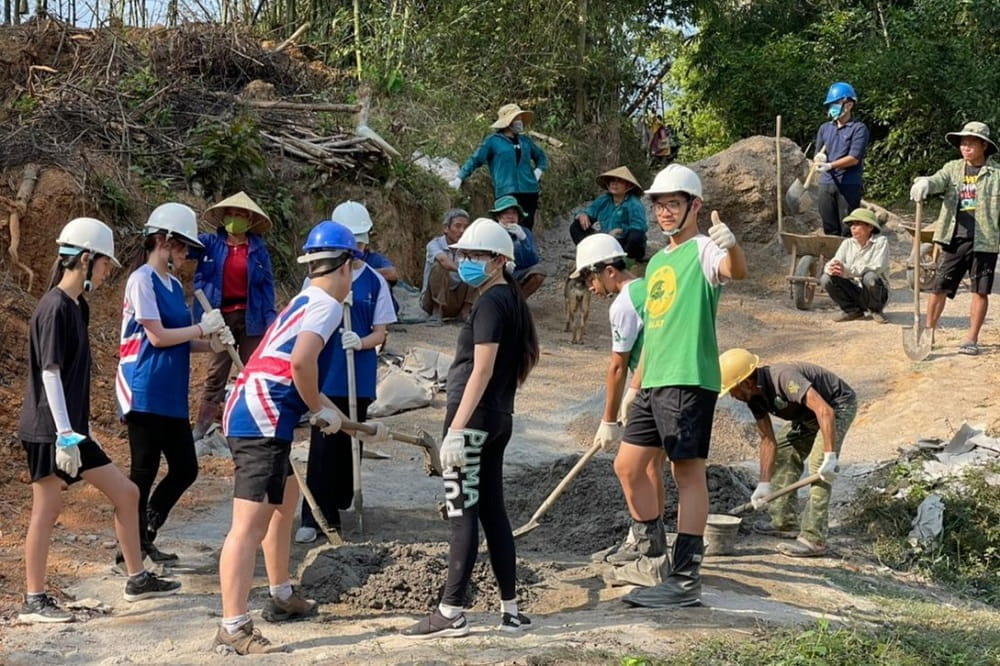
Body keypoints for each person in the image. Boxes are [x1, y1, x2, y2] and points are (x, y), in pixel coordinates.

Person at [215, 220, 390, 654]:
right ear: (347, 265)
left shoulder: (305, 299)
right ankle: (234, 626)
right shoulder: (327, 306)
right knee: (248, 526)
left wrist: (332, 412)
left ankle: (280, 595)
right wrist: (318, 409)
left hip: (264, 411)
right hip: (260, 416)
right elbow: (300, 363)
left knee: (284, 504)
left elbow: (294, 366)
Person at [18, 217, 180, 623]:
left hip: (72, 430)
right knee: (47, 510)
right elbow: (50, 373)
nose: (109, 272)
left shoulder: (78, 306)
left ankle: (136, 578)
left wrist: (78, 431)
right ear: (86, 259)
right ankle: (34, 600)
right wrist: (65, 435)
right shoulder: (54, 307)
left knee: (127, 494)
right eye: (105, 264)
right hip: (49, 431)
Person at [618, 164, 747, 609]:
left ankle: (687, 577)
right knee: (628, 466)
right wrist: (635, 386)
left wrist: (731, 246)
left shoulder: (703, 250)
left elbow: (734, 270)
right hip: (654, 379)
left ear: (695, 206)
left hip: (690, 378)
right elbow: (652, 330)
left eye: (674, 203)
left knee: (686, 473)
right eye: (659, 205)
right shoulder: (656, 262)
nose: (665, 212)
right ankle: (651, 555)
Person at [403, 218, 539, 638]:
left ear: (499, 261)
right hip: (499, 419)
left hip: (473, 421)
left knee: (462, 513)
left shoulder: (490, 303)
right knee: (493, 512)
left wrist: (456, 430)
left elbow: (480, 370)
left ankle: (451, 611)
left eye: (475, 256)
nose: (465, 262)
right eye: (462, 254)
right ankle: (510, 610)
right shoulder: (511, 301)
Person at [117, 203, 236, 564]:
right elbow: (156, 336)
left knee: (185, 467)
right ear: (163, 241)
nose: (186, 255)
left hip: (170, 391)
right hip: (144, 387)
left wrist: (212, 343)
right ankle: (131, 549)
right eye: (182, 247)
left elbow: (180, 338)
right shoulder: (141, 280)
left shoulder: (171, 284)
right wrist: (203, 328)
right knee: (143, 472)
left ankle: (146, 532)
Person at [295, 208, 397, 544]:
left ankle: (339, 504)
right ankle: (315, 516)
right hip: (327, 378)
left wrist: (361, 341)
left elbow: (381, 332)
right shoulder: (316, 281)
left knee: (348, 447)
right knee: (323, 449)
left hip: (360, 375)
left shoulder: (374, 281)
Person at [570, 234, 665, 573]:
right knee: (652, 467)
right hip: (662, 385)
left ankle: (645, 546)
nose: (590, 287)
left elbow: (617, 365)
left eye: (589, 278)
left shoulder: (624, 303)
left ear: (609, 271)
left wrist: (608, 419)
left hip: (651, 391)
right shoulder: (649, 287)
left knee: (629, 467)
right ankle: (649, 539)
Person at [719, 349, 857, 557]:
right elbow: (768, 441)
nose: (731, 395)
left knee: (819, 467)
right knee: (785, 449)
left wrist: (830, 457)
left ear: (746, 383)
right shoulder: (753, 398)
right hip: (808, 415)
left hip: (836, 406)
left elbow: (824, 411)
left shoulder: (783, 378)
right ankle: (784, 521)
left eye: (732, 389)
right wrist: (764, 483)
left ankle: (813, 538)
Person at [190, 191, 277, 442]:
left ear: (249, 221)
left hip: (252, 318)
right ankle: (202, 426)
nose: (235, 219)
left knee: (251, 372)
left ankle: (249, 424)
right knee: (216, 373)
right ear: (224, 216)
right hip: (219, 316)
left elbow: (266, 286)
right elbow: (183, 250)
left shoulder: (258, 249)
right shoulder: (209, 243)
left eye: (241, 215)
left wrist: (272, 322)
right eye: (232, 214)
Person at [910, 121, 1000, 356]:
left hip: (985, 241)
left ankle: (971, 338)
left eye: (971, 143)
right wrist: (925, 183)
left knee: (980, 290)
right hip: (954, 237)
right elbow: (937, 179)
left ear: (983, 145)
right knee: (939, 286)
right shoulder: (952, 169)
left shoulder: (996, 175)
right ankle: (928, 332)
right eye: (963, 143)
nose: (965, 147)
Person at [451, 103, 549, 231]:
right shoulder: (493, 141)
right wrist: (460, 177)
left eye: (520, 119)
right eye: (516, 119)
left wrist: (538, 171)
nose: (519, 122)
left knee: (526, 228)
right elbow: (475, 159)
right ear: (508, 122)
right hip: (506, 191)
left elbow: (541, 157)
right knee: (506, 228)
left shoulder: (525, 141)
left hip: (529, 190)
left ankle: (525, 250)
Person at [814, 82, 870, 237]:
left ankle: (848, 260)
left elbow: (854, 158)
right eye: (830, 104)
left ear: (849, 104)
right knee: (829, 228)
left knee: (848, 229)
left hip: (848, 185)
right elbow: (818, 153)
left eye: (836, 103)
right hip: (826, 184)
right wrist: (819, 159)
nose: (832, 107)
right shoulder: (825, 128)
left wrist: (830, 165)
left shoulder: (858, 128)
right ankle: (832, 260)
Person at [821, 208, 890, 323]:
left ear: (870, 227)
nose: (853, 227)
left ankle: (876, 310)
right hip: (854, 289)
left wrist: (847, 270)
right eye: (852, 224)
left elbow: (877, 266)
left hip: (875, 292)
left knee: (870, 277)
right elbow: (835, 260)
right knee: (825, 279)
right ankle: (852, 310)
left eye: (858, 224)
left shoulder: (881, 242)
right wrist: (832, 268)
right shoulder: (847, 243)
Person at [333, 200, 400, 313]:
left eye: (359, 244)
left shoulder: (374, 259)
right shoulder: (330, 264)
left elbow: (392, 274)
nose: (355, 249)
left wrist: (364, 273)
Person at [569, 167, 649, 260]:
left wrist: (621, 230)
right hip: (607, 241)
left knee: (636, 236)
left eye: (619, 181)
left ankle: (625, 261)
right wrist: (582, 215)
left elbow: (639, 227)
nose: (614, 184)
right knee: (576, 226)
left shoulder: (634, 203)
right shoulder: (604, 200)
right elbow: (590, 212)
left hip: (625, 242)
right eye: (612, 181)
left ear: (628, 186)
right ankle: (589, 254)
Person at [420, 208, 476, 324]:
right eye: (457, 226)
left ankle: (465, 312)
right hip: (432, 300)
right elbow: (444, 261)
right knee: (440, 266)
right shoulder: (434, 244)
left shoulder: (469, 248)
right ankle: (437, 312)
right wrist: (465, 270)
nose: (462, 231)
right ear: (446, 228)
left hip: (457, 300)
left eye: (465, 227)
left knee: (476, 267)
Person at [489, 195, 546, 298]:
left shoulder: (524, 232)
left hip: (518, 274)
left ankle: (519, 303)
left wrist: (523, 239)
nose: (511, 216)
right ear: (498, 217)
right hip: (496, 275)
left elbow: (533, 260)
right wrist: (502, 266)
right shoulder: (490, 232)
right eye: (506, 213)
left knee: (539, 271)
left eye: (514, 213)